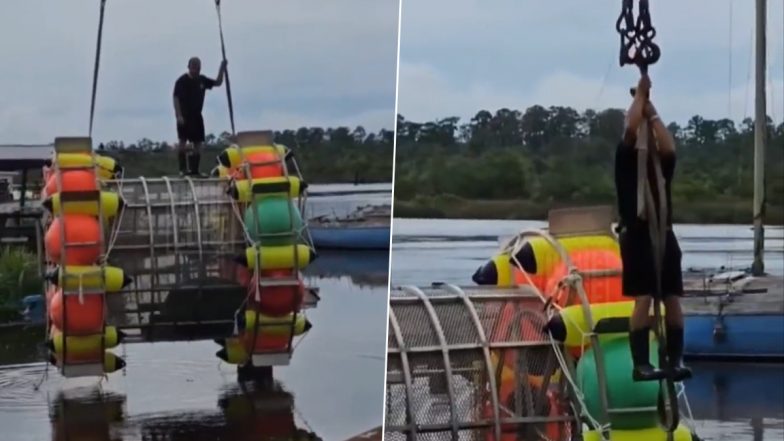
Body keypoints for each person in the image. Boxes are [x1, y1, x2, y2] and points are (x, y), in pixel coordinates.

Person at [614, 74, 691, 382]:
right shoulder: (624, 160)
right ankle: (641, 362)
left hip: (663, 232)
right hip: (638, 233)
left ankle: (676, 359)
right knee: (644, 297)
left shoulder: (660, 166)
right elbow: (631, 128)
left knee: (672, 295)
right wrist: (639, 97)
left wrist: (652, 111)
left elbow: (669, 146)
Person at [173, 57, 227, 176]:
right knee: (183, 142)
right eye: (193, 67)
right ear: (189, 67)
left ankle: (194, 170)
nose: (195, 69)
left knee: (198, 144)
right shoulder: (181, 81)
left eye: (197, 67)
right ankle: (182, 169)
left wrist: (222, 68)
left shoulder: (202, 80)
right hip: (184, 116)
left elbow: (218, 82)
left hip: (196, 116)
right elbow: (175, 98)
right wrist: (178, 115)